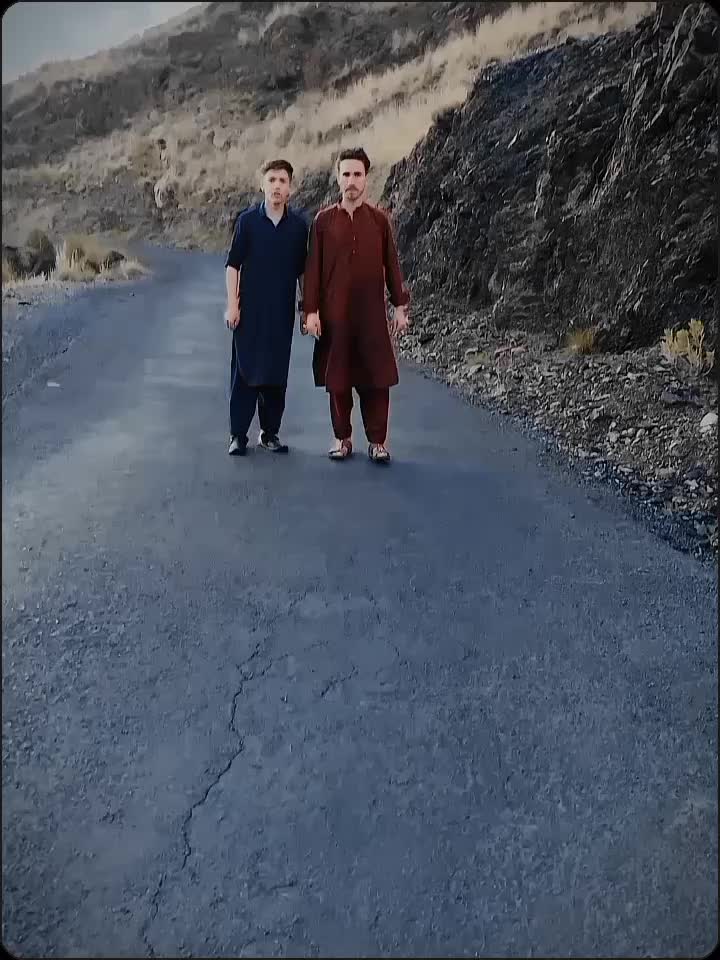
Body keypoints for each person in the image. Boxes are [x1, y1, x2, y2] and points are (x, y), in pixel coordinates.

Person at [302, 147, 410, 465]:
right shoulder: (323, 222)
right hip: (335, 317)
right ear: (338, 178)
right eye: (346, 174)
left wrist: (399, 307)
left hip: (371, 317)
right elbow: (312, 270)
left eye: (357, 174)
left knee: (376, 381)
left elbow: (392, 266)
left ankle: (377, 443)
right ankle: (342, 438)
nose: (351, 181)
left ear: (366, 178)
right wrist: (311, 311)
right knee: (338, 381)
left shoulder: (379, 221)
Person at [224, 159, 308, 456]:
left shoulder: (298, 227)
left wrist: (306, 308)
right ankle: (237, 435)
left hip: (281, 313)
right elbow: (233, 265)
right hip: (249, 313)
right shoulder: (247, 222)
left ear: (290, 188)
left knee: (275, 373)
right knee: (244, 373)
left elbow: (302, 271)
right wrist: (232, 304)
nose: (277, 186)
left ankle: (269, 433)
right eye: (271, 180)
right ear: (263, 185)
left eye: (282, 181)